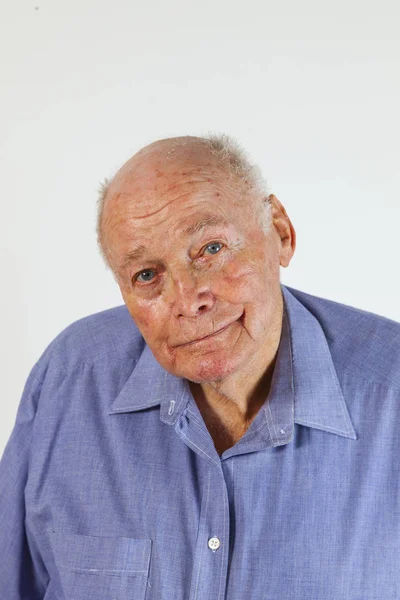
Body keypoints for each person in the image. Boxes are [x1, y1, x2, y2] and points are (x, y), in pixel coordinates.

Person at [1, 134, 399, 600]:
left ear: (280, 232)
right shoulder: (68, 381)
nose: (189, 301)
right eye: (147, 275)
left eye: (210, 249)